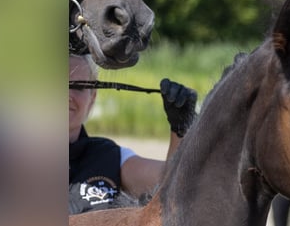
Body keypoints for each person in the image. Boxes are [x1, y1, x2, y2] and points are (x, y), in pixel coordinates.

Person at [69, 54, 197, 214]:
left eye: (79, 86)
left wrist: (182, 128)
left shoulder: (110, 157)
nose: (67, 95)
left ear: (92, 97)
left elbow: (176, 185)